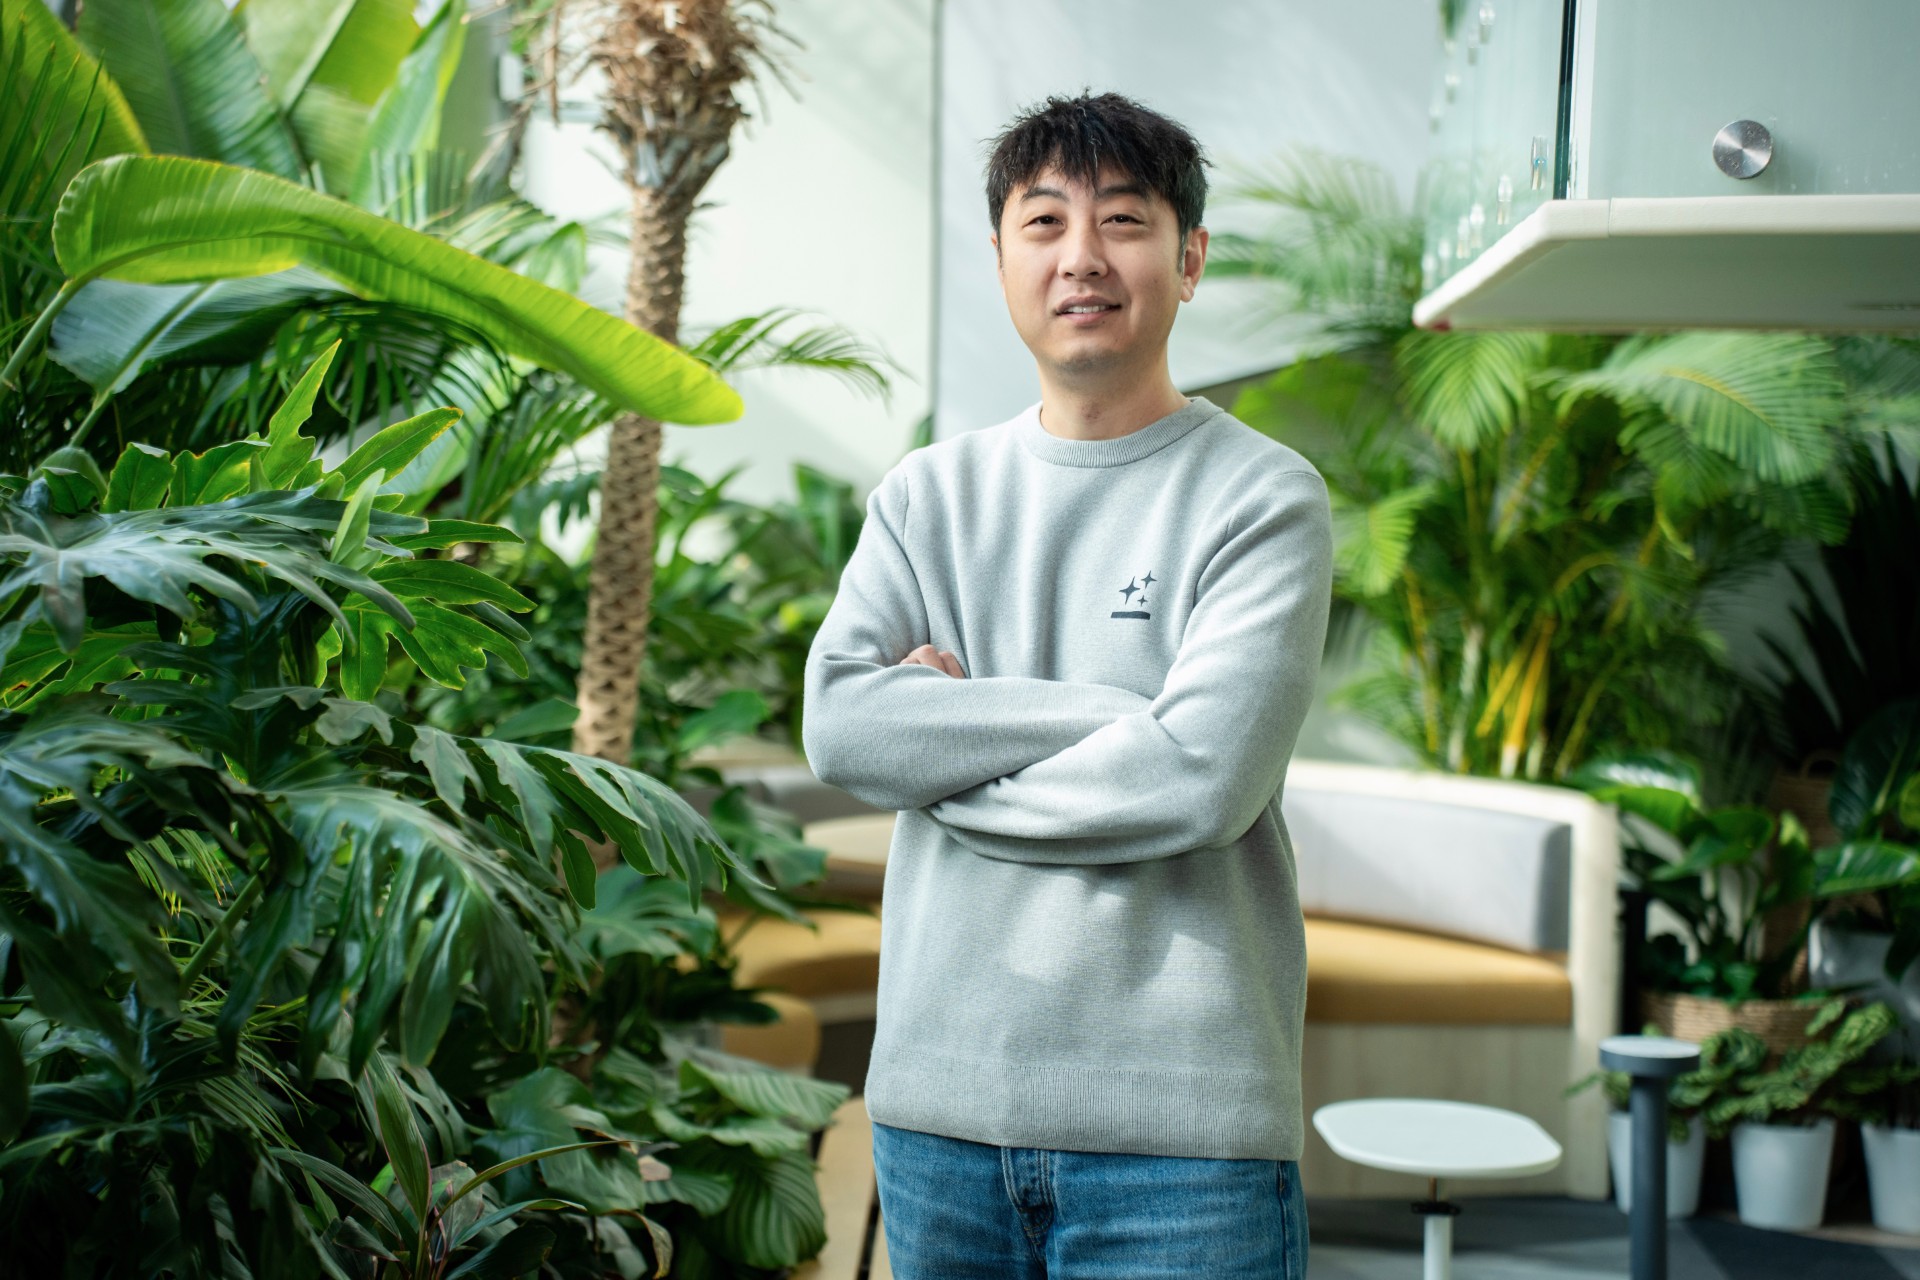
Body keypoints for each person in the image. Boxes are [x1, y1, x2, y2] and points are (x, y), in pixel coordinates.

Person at [800, 90, 1333, 1279]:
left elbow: (1200, 782)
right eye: (1043, 222)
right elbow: (842, 724)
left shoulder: (1263, 497)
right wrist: (1118, 720)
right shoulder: (925, 497)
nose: (1081, 257)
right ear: (1001, 256)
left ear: (1188, 259)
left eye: (1125, 221)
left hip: (1184, 1140)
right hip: (939, 1115)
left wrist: (942, 758)